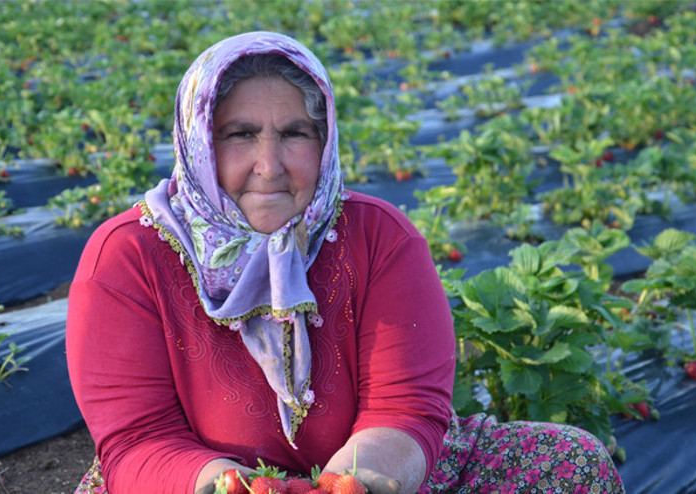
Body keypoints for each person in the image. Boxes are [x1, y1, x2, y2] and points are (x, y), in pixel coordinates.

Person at [66, 32, 625, 494]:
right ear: (199, 142)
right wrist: (222, 485)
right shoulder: (130, 256)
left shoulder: (376, 237)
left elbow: (406, 409)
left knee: (570, 462)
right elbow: (139, 438)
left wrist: (362, 481)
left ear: (325, 139)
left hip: (376, 476)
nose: (269, 165)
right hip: (198, 484)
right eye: (240, 135)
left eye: (294, 134)